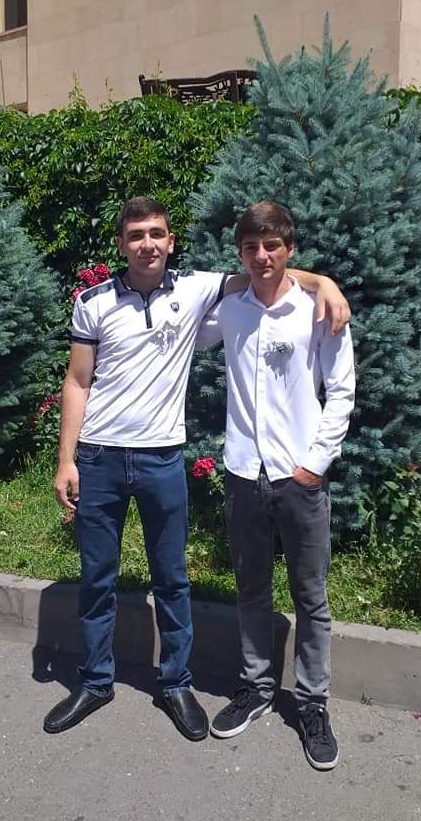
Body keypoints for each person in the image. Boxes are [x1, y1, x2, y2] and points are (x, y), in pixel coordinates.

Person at [43, 196, 351, 742]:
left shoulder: (196, 289)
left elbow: (264, 270)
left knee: (174, 579)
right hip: (101, 456)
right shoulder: (95, 302)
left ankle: (177, 684)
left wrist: (323, 281)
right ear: (121, 243)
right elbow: (77, 380)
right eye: (136, 235)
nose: (147, 244)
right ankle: (95, 681)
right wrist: (66, 459)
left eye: (156, 233)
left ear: (171, 240)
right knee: (97, 577)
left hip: (164, 457)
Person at [197, 200, 355, 769]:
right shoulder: (229, 312)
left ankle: (312, 704)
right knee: (251, 589)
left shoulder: (317, 310)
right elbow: (182, 321)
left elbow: (341, 390)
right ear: (240, 252)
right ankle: (257, 689)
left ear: (289, 248)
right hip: (244, 473)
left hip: (299, 477)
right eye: (251, 247)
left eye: (272, 246)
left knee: (311, 597)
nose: (261, 256)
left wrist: (315, 463)